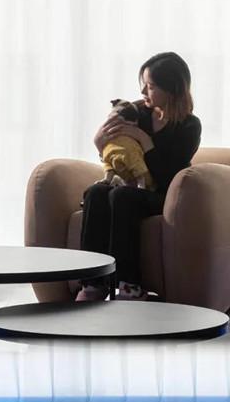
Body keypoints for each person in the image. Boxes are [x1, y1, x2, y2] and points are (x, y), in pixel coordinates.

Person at [76, 51, 202, 301]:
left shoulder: (189, 126)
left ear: (172, 89)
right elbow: (116, 148)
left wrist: (145, 140)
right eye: (143, 84)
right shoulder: (137, 112)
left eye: (151, 86)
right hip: (132, 185)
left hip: (164, 193)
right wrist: (99, 142)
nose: (143, 91)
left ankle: (128, 285)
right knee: (97, 192)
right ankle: (92, 283)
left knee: (123, 196)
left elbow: (168, 174)